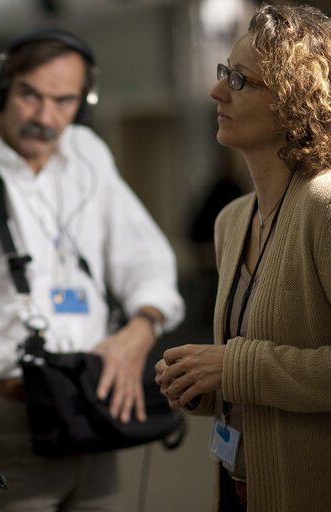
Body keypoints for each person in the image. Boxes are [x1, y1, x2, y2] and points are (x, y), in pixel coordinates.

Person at [0, 28, 184, 511]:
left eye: (64, 101)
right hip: (5, 420)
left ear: (82, 104)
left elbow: (146, 258)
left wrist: (141, 328)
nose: (46, 118)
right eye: (30, 95)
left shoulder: (88, 155)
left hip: (92, 410)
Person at [155, 4, 331, 511]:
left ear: (296, 101)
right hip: (238, 486)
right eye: (221, 72)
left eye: (239, 79)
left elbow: (246, 366)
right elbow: (249, 375)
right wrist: (202, 383)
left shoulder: (323, 207)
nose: (217, 91)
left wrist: (233, 366)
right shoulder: (232, 220)